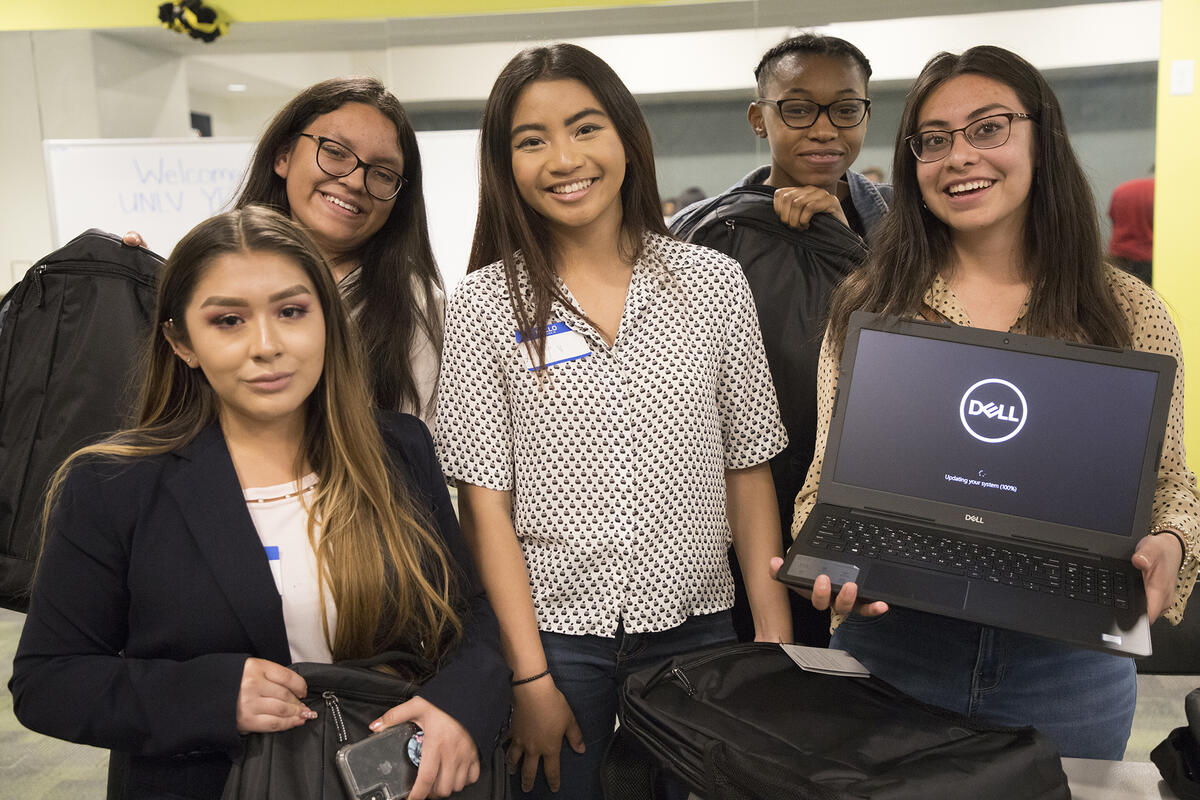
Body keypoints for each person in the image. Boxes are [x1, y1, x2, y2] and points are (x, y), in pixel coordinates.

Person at [775, 45, 1199, 760]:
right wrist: (826, 556)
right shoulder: (871, 306)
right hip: (893, 648)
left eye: (988, 128)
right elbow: (824, 480)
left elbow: (1171, 487)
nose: (959, 156)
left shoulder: (1127, 311)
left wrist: (1172, 542)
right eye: (933, 141)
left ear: (1043, 137)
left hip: (1068, 670)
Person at [10, 207, 510, 800]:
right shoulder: (113, 484)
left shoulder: (397, 451)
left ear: (326, 320)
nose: (266, 346)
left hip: (391, 780)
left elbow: (472, 618)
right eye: (228, 321)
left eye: (291, 311)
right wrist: (209, 696)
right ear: (182, 341)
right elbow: (49, 681)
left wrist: (458, 707)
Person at [434, 43, 793, 800]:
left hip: (699, 626)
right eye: (531, 140)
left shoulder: (711, 282)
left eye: (585, 127)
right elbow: (484, 507)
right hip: (555, 636)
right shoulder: (482, 304)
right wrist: (527, 675)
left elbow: (747, 465)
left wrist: (772, 634)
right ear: (506, 165)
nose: (564, 158)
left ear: (626, 136)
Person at [671, 33, 883, 645]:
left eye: (846, 109)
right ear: (758, 118)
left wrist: (845, 238)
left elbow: (923, 343)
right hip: (734, 511)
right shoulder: (705, 231)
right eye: (797, 108)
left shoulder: (901, 227)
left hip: (861, 502)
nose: (824, 129)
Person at [126, 78, 443, 424]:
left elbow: (417, 450)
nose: (354, 181)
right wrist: (143, 286)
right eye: (335, 152)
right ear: (283, 155)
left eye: (383, 173)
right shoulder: (210, 272)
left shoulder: (417, 304)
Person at [1108, 172, 1155, 285]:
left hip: (1118, 258)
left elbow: (1112, 217)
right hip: (1149, 261)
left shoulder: (1122, 189)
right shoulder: (1160, 191)